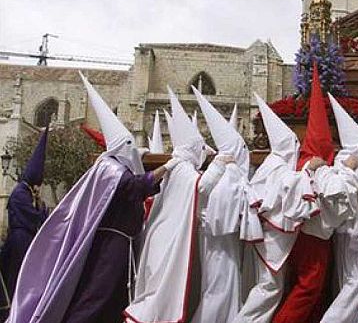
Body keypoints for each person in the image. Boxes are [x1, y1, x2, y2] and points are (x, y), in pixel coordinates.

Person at [8, 72, 169, 323]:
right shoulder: (111, 170)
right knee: (98, 293)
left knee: (113, 294)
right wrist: (168, 167)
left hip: (119, 241)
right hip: (111, 243)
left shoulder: (112, 167)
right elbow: (135, 187)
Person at [124, 87, 209, 323]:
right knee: (159, 291)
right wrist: (222, 167)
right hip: (168, 237)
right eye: (200, 147)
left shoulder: (178, 164)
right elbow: (201, 187)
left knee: (158, 284)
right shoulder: (183, 167)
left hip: (162, 232)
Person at [235, 92, 317, 322]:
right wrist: (308, 171)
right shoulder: (278, 165)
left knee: (270, 286)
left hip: (264, 236)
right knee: (268, 287)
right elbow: (281, 193)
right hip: (268, 238)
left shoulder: (272, 163)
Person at [272, 64, 339, 323]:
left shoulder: (300, 164)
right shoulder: (313, 165)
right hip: (313, 233)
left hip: (304, 232)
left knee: (313, 285)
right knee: (310, 284)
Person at [191, 86, 255, 323]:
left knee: (229, 280)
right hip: (215, 236)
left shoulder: (231, 172)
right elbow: (201, 189)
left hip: (226, 238)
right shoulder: (219, 171)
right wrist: (218, 164)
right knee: (218, 283)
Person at [320, 94, 358, 323]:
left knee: (350, 280)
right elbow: (345, 193)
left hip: (351, 232)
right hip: (352, 232)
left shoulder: (345, 165)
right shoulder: (346, 166)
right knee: (356, 281)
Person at [0, 124, 50, 319]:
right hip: (19, 240)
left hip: (25, 240)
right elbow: (33, 217)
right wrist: (41, 210)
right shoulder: (20, 192)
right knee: (15, 278)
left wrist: (39, 203)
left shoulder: (28, 192)